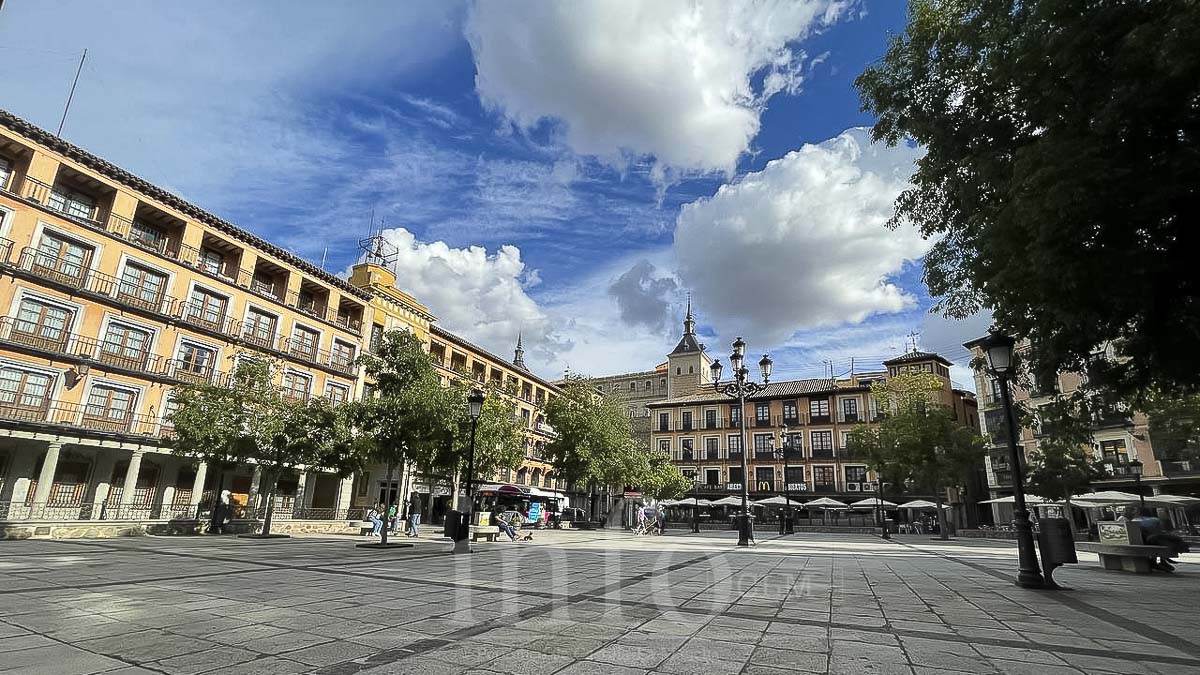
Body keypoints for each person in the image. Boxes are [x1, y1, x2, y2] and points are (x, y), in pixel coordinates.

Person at [1124, 506, 1190, 571]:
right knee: (1158, 540)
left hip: (1142, 542)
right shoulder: (1155, 520)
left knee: (1154, 540)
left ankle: (1157, 561)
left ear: (1137, 513)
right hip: (1154, 541)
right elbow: (1160, 531)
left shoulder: (1134, 521)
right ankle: (1162, 560)